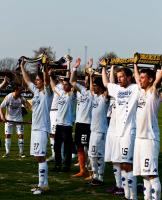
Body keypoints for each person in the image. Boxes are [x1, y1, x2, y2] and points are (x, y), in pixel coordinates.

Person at [102, 66, 139, 199]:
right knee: (122, 164)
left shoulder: (134, 88)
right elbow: (106, 83)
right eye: (118, 77)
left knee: (128, 165)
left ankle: (133, 196)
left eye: (122, 76)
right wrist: (104, 68)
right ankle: (127, 194)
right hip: (118, 133)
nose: (119, 79)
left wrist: (135, 66)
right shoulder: (117, 89)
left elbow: (140, 81)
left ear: (129, 77)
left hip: (130, 131)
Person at [20, 59, 53, 195]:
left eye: (38, 80)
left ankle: (43, 185)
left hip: (42, 129)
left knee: (41, 156)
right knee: (37, 157)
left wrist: (45, 66)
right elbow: (27, 80)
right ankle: (43, 184)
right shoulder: (36, 92)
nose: (36, 81)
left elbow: (46, 80)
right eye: (37, 80)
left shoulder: (47, 92)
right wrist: (22, 66)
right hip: (34, 129)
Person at [133, 64, 162, 200]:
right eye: (141, 77)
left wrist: (160, 69)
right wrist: (135, 64)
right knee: (144, 174)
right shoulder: (142, 92)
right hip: (139, 139)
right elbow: (136, 76)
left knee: (152, 174)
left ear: (150, 80)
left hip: (149, 139)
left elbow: (157, 79)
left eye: (144, 78)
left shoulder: (154, 92)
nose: (140, 80)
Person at [70, 58, 93, 177]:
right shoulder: (82, 90)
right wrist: (75, 68)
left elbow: (90, 77)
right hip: (79, 123)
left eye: (88, 79)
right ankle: (82, 169)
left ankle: (91, 171)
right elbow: (72, 81)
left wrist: (90, 68)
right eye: (85, 78)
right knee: (79, 146)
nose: (86, 80)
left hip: (87, 123)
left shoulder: (93, 92)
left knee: (87, 148)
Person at [88, 70, 109, 186]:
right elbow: (91, 89)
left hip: (101, 130)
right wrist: (91, 77)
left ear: (100, 87)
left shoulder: (104, 97)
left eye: (96, 86)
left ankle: (100, 177)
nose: (93, 88)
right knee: (92, 155)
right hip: (93, 131)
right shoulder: (94, 97)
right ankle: (95, 175)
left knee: (99, 155)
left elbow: (107, 87)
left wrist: (104, 73)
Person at [53, 76, 76, 172]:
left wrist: (74, 69)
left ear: (70, 86)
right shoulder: (61, 93)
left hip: (67, 125)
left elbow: (73, 84)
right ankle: (58, 165)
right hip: (59, 124)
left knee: (67, 147)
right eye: (63, 84)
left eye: (66, 85)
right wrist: (50, 75)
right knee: (56, 146)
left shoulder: (71, 95)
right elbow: (53, 87)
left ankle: (66, 166)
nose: (64, 86)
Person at [0, 83, 27, 158]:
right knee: (7, 135)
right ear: (16, 90)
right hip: (9, 119)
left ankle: (21, 153)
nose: (21, 92)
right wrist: (2, 116)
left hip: (19, 119)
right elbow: (1, 107)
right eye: (20, 90)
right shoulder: (8, 97)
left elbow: (27, 106)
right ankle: (7, 153)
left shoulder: (21, 98)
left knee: (20, 135)